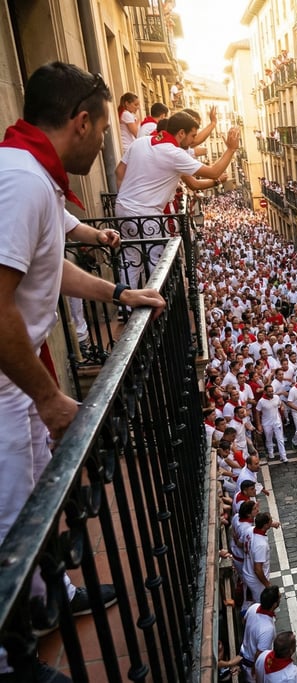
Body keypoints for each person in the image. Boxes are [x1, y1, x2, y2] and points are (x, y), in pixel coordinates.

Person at [0, 62, 166, 680]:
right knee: (10, 517)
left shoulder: (31, 175)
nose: (106, 145)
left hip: (18, 384)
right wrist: (46, 398)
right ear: (81, 121)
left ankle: (50, 598)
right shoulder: (20, 180)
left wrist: (118, 296)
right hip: (7, 388)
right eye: (102, 130)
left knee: (41, 498)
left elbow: (48, 267)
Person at [115, 111, 240, 287]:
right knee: (158, 262)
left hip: (121, 209)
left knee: (130, 258)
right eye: (192, 136)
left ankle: (125, 308)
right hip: (146, 215)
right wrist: (231, 149)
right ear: (181, 133)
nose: (193, 141)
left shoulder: (140, 143)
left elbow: (119, 172)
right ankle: (158, 304)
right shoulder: (174, 154)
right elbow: (213, 172)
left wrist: (128, 201)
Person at [240, 585, 280, 683]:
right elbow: (259, 655)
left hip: (245, 652)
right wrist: (256, 673)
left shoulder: (254, 607)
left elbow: (243, 621)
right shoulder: (267, 629)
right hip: (252, 665)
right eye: (279, 597)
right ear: (274, 605)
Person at [241, 512, 274, 612]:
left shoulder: (250, 530)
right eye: (270, 521)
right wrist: (267, 584)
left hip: (247, 570)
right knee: (260, 603)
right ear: (265, 525)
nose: (272, 521)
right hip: (256, 580)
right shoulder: (261, 545)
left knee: (248, 596)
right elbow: (258, 569)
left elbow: (241, 542)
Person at [256, 384, 287, 463]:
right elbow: (257, 412)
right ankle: (270, 452)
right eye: (269, 391)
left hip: (277, 422)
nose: (271, 393)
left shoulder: (276, 397)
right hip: (266, 423)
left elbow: (281, 404)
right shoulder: (261, 401)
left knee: (280, 439)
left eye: (272, 391)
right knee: (268, 438)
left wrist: (282, 407)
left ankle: (283, 456)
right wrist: (259, 425)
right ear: (265, 392)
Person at [117, 91, 140, 156]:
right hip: (127, 148)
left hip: (128, 147)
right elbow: (137, 133)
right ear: (127, 104)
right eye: (135, 105)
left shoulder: (126, 114)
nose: (138, 107)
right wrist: (137, 121)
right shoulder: (126, 114)